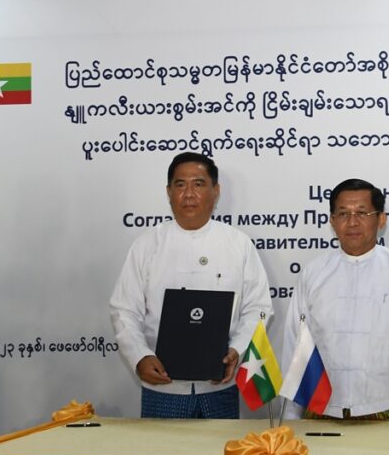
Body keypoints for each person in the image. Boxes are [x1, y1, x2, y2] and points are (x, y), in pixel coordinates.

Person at [109, 153, 272, 418]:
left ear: (215, 191)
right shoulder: (146, 245)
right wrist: (140, 357)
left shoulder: (239, 244)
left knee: (221, 446)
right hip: (163, 387)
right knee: (163, 448)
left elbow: (259, 308)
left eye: (198, 184)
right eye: (180, 184)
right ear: (168, 192)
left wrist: (237, 350)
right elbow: (123, 309)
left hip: (219, 386)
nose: (188, 194)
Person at [282, 178, 389, 421]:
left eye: (362, 213)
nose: (352, 222)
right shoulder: (313, 274)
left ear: (381, 219)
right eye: (343, 213)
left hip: (387, 410)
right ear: (332, 221)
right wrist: (291, 417)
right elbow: (296, 347)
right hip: (322, 409)